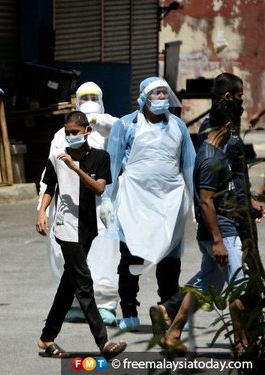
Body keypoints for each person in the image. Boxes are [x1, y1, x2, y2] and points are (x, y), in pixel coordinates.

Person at [101, 77, 195, 331]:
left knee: (169, 261)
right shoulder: (126, 125)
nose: (162, 98)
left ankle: (168, 309)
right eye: (157, 94)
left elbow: (189, 166)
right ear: (144, 98)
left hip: (170, 202)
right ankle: (129, 311)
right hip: (134, 201)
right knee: (131, 258)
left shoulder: (178, 127)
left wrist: (196, 202)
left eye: (165, 93)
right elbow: (112, 164)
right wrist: (107, 199)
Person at [156, 99, 248, 356]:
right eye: (236, 125)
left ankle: (172, 334)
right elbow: (206, 201)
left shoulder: (216, 153)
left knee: (205, 287)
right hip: (222, 234)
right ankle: (242, 345)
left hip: (220, 231)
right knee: (239, 287)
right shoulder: (209, 158)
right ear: (228, 125)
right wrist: (218, 241)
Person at [35, 111, 127, 360]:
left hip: (87, 227)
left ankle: (46, 337)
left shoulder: (99, 157)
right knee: (84, 285)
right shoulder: (57, 157)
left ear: (87, 131)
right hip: (66, 228)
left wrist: (75, 169)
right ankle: (103, 342)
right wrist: (42, 212)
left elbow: (98, 187)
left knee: (69, 285)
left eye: (75, 132)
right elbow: (49, 186)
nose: (70, 137)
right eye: (67, 133)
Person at [38, 82, 120, 326]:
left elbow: (124, 133)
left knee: (103, 254)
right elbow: (49, 173)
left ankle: (104, 305)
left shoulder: (107, 130)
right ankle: (74, 304)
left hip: (100, 204)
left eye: (95, 96)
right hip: (69, 205)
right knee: (71, 256)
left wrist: (98, 120)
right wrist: (40, 208)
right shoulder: (61, 136)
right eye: (85, 97)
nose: (90, 101)